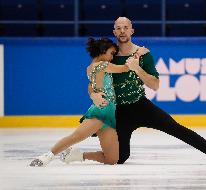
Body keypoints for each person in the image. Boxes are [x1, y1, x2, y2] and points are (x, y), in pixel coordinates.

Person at [62, 17, 206, 165]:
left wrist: (137, 69)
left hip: (141, 106)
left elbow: (155, 85)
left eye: (125, 27)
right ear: (114, 32)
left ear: (132, 30)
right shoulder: (108, 55)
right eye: (118, 28)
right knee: (120, 158)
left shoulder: (143, 55)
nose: (122, 31)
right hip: (119, 112)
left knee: (178, 129)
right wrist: (93, 93)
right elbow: (93, 80)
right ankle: (79, 155)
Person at [30, 37, 139, 166]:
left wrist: (93, 94)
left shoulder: (90, 68)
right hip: (102, 110)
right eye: (111, 53)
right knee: (76, 136)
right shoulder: (102, 65)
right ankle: (47, 156)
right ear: (103, 51)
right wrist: (136, 57)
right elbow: (125, 69)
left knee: (112, 159)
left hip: (110, 112)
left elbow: (92, 86)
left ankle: (77, 155)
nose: (112, 57)